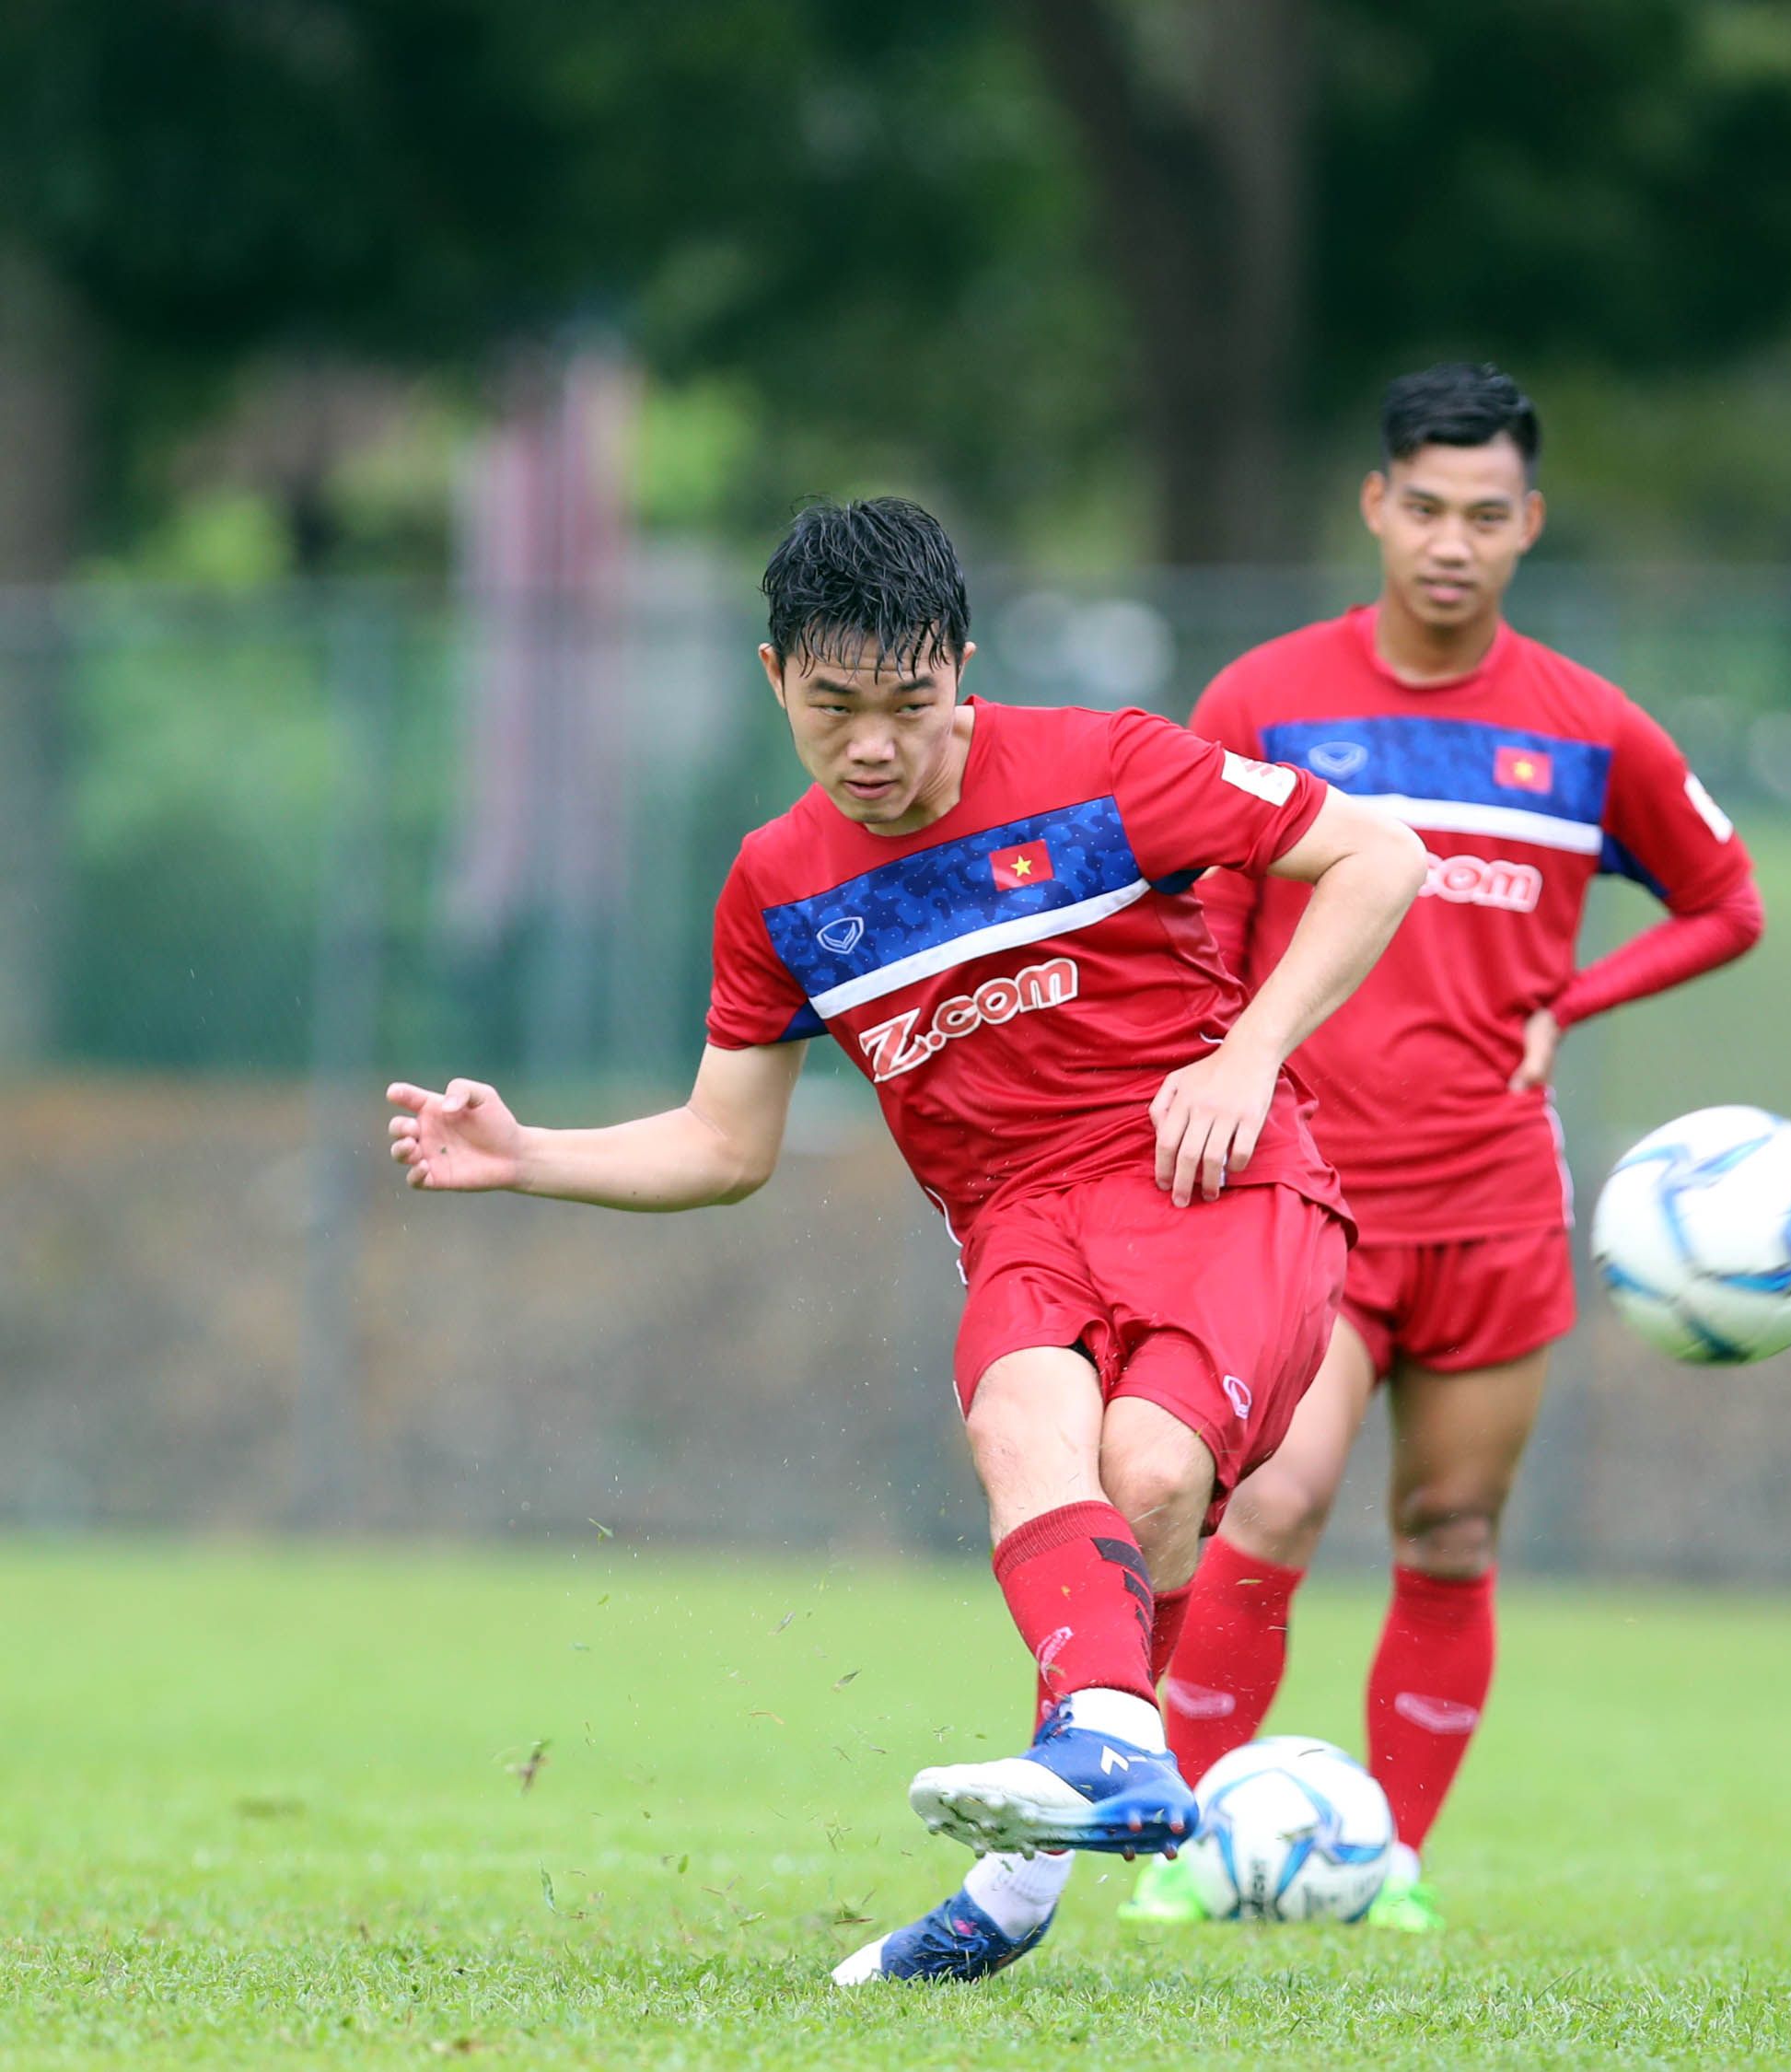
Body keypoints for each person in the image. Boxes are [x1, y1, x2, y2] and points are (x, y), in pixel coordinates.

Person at [385, 497, 1425, 1985]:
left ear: (963, 671)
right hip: (1016, 1223)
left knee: (1147, 1477)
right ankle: (1092, 1782)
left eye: (909, 704)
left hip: (1215, 1180)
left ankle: (1024, 1866)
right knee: (1025, 1429)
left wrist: (1249, 1052)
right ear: (772, 679)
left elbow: (1377, 855)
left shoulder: (1107, 766)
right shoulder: (779, 882)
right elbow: (725, 1145)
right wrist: (529, 1153)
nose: (872, 746)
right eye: (833, 708)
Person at [1121, 365, 1762, 1933]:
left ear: (1528, 522)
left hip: (1492, 1201)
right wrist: (1217, 1063)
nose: (1451, 542)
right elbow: (1192, 915)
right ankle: (1176, 1848)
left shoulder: (1585, 726)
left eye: (1485, 513)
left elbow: (1726, 901)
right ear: (1375, 506)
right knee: (1270, 1504)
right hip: (1305, 1196)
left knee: (1451, 1531)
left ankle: (1388, 1861)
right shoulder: (1265, 698)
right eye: (1423, 508)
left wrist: (1569, 1000)